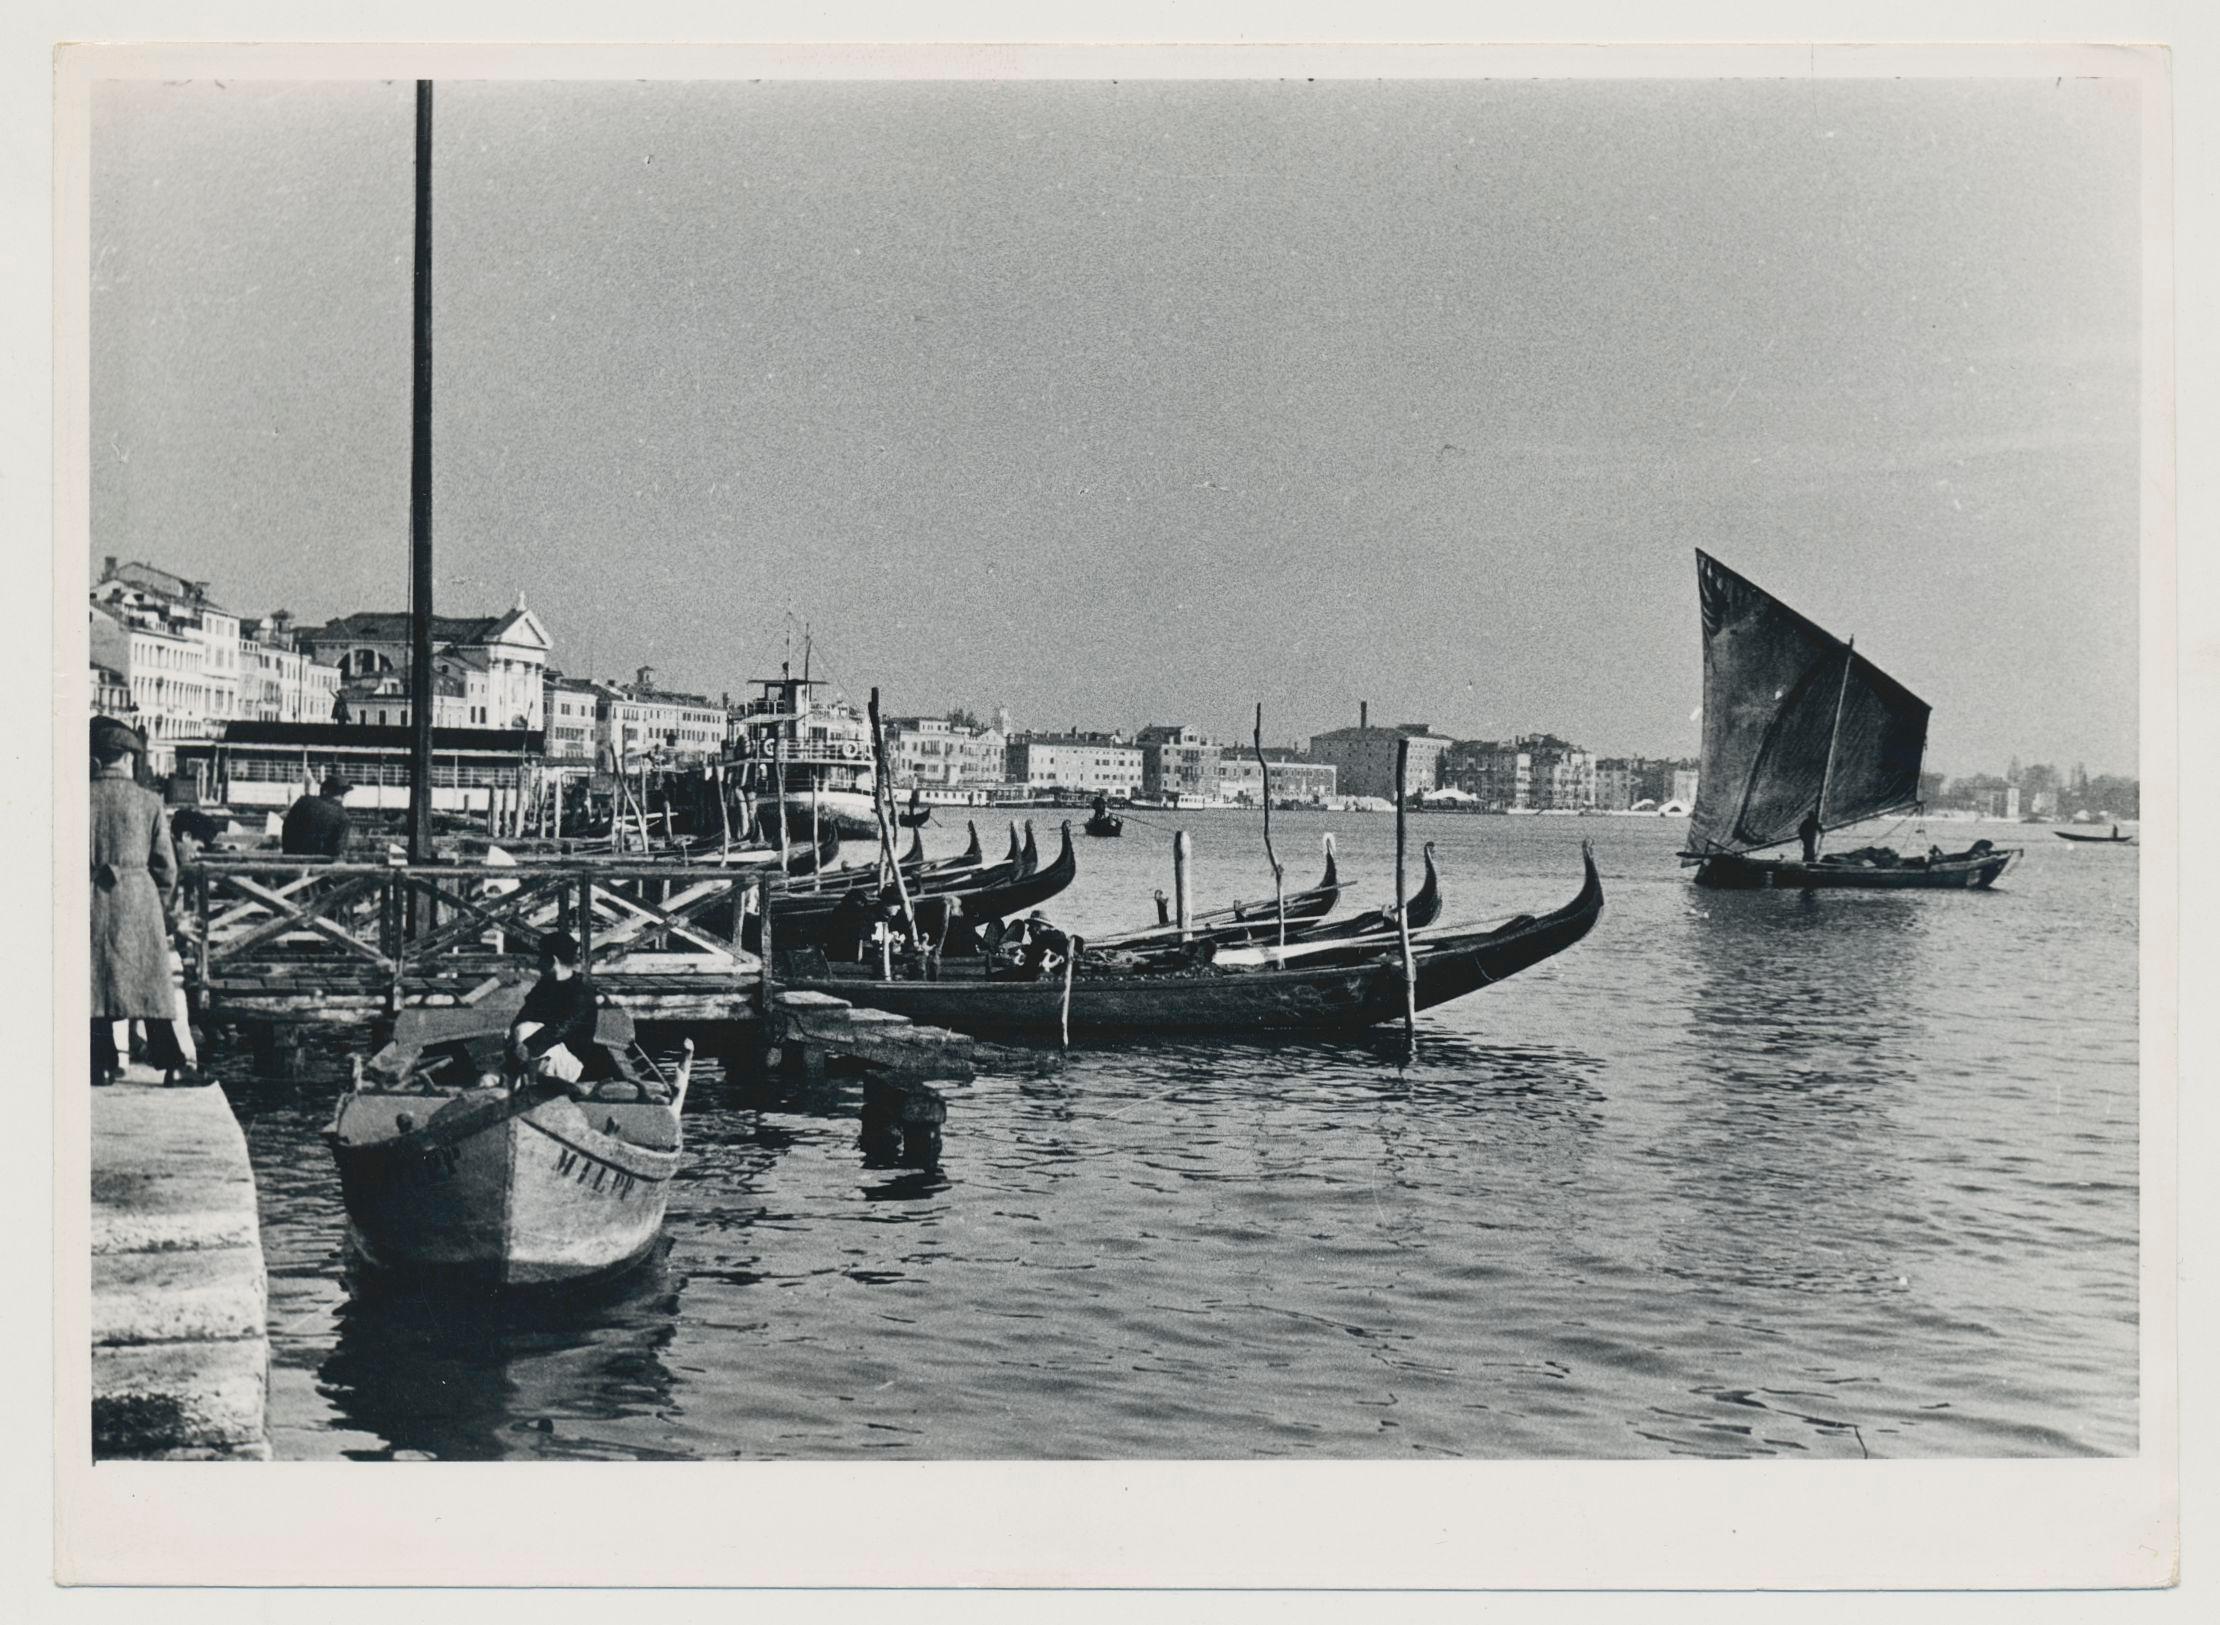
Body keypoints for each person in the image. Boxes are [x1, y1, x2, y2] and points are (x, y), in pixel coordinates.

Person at [91, 717, 188, 1084]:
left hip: (88, 895)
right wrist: (156, 905)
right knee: (149, 982)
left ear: (97, 760)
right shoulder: (149, 802)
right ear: (129, 760)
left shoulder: (74, 795)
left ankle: (98, 1064)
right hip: (137, 895)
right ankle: (172, 1064)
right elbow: (167, 866)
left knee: (94, 981)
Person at [508, 930, 599, 1088]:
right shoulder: (544, 987)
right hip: (537, 1055)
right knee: (520, 1030)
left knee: (525, 1030)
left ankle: (530, 1084)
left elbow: (560, 1028)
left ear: (553, 960)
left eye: (542, 958)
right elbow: (522, 1017)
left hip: (569, 1064)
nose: (538, 964)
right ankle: (522, 1078)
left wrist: (527, 1046)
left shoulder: (581, 992)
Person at [282, 774, 353, 857]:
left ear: (324, 790)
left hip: (292, 861)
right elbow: (338, 851)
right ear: (343, 794)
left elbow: (287, 829)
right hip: (321, 865)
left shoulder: (303, 802)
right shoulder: (343, 817)